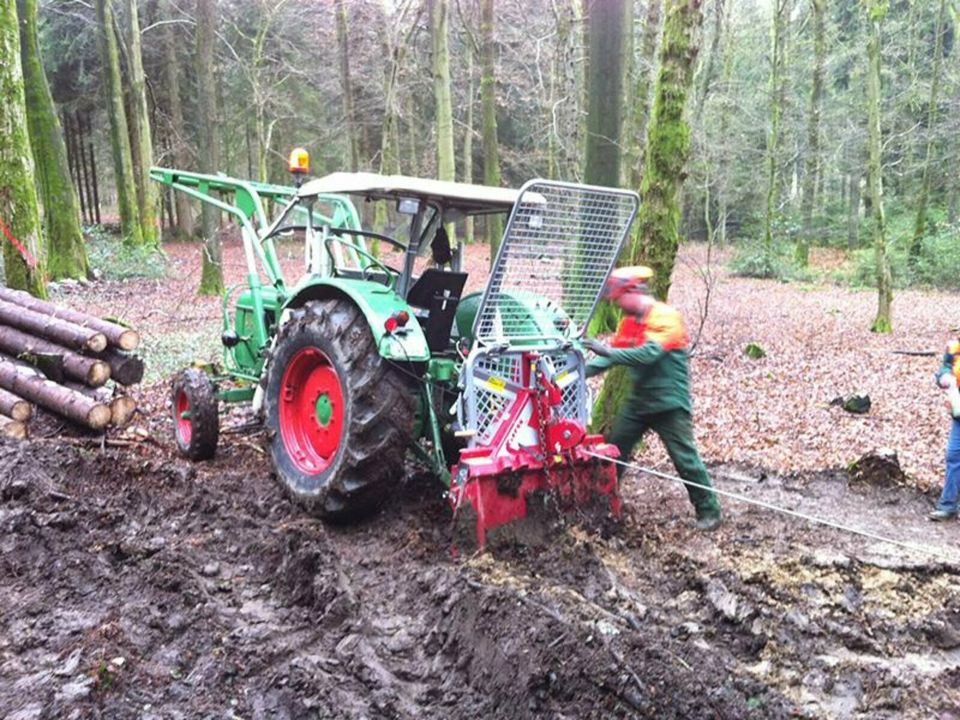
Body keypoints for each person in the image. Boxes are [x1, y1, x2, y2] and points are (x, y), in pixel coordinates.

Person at [584, 266, 723, 531]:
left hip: (670, 403)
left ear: (633, 291)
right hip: (639, 403)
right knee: (615, 451)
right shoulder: (629, 322)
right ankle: (602, 507)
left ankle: (709, 511)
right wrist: (576, 372)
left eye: (618, 299)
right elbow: (609, 357)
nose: (616, 306)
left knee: (685, 459)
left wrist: (608, 351)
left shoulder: (666, 317)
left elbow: (648, 354)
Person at [929, 337, 960, 521]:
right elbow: (944, 369)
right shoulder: (955, 348)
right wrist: (945, 377)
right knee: (953, 455)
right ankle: (948, 506)